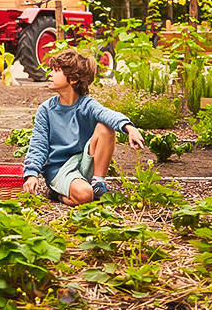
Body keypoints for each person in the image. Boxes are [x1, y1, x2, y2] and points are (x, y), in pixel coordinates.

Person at [21, 49, 147, 205]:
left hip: (84, 163)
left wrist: (129, 128)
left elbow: (107, 114)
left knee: (105, 127)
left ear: (73, 79)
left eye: (56, 70)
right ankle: (56, 193)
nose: (50, 74)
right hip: (60, 169)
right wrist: (31, 173)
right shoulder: (46, 110)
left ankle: (97, 183)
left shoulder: (87, 105)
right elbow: (38, 145)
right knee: (85, 196)